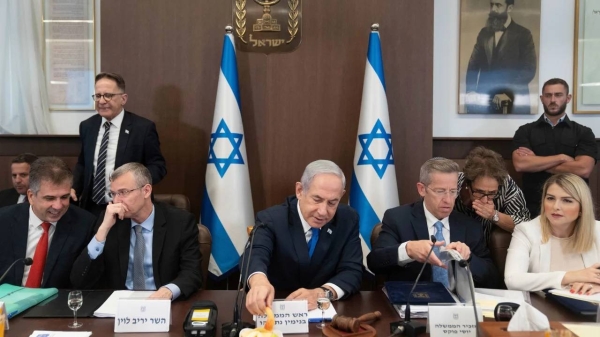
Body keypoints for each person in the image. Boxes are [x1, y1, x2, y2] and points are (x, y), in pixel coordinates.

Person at [244, 160, 363, 315]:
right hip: (276, 310)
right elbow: (256, 252)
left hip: (325, 315)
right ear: (299, 190)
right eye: (317, 199)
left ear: (341, 196)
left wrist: (322, 293)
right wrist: (258, 281)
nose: (323, 211)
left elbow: (352, 270)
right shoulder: (272, 219)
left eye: (332, 203)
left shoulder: (348, 219)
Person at [70, 163, 201, 300]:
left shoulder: (180, 222)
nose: (116, 200)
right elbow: (79, 280)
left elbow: (192, 272)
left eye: (123, 192)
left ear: (146, 191)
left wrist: (169, 290)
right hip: (119, 305)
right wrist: (103, 230)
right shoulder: (109, 221)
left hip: (163, 302)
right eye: (113, 194)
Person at [367, 158, 499, 288]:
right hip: (414, 301)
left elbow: (492, 279)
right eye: (440, 191)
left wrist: (469, 258)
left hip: (458, 304)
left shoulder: (470, 225)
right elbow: (374, 262)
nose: (448, 199)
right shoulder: (398, 218)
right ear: (421, 189)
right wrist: (408, 250)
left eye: (453, 191)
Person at [72, 72, 167, 216]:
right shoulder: (87, 126)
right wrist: (74, 187)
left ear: (123, 99)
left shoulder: (142, 128)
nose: (102, 101)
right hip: (92, 208)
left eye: (108, 95)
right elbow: (83, 163)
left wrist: (134, 185)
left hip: (128, 208)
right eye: (98, 96)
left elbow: (158, 166)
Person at [0, 157, 95, 288]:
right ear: (31, 196)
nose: (58, 206)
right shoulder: (4, 220)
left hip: (57, 304)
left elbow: (84, 280)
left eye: (64, 197)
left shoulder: (84, 224)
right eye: (49, 198)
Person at [513, 78, 597, 217]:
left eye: (558, 95)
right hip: (534, 206)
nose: (553, 100)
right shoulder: (525, 131)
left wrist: (536, 163)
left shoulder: (584, 132)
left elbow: (583, 169)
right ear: (541, 98)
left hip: (574, 204)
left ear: (568, 98)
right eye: (548, 95)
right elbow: (521, 164)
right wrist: (562, 158)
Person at [505, 173, 600, 294]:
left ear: (582, 207)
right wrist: (570, 276)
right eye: (550, 198)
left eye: (567, 200)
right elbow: (512, 280)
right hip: (545, 307)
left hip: (590, 307)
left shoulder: (597, 230)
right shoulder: (526, 231)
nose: (556, 206)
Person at [465, 0, 536, 114]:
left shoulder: (524, 34)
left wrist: (506, 92)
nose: (493, 9)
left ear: (510, 8)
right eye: (491, 4)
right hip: (484, 104)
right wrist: (471, 91)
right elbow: (473, 65)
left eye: (498, 5)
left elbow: (528, 70)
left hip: (514, 103)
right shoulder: (484, 33)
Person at [454, 146, 530, 243]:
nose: (485, 200)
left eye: (492, 193)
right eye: (479, 192)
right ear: (468, 184)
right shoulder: (454, 184)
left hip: (486, 250)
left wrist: (494, 215)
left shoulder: (505, 184)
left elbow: (526, 225)